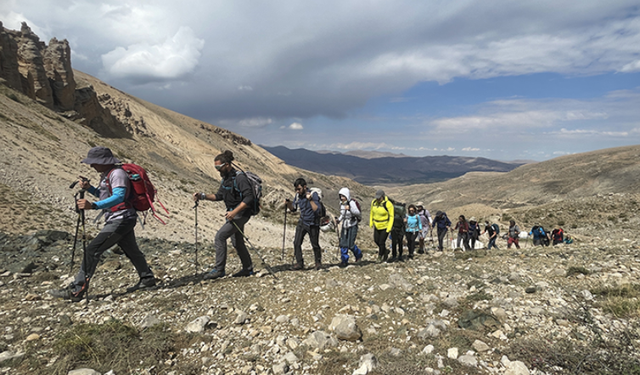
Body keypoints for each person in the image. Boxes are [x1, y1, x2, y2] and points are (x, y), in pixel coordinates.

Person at [50, 147, 155, 302]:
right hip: (122, 217)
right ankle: (147, 278)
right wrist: (89, 189)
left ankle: (77, 290)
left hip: (120, 218)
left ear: (103, 162)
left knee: (92, 250)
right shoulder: (108, 174)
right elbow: (106, 195)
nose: (91, 166)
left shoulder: (117, 174)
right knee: (131, 250)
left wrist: (93, 206)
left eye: (94, 162)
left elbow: (119, 197)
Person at [193, 150, 255, 280]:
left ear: (227, 164)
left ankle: (219, 269)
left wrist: (234, 212)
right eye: (215, 167)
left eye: (218, 167)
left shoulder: (239, 178)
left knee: (220, 237)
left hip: (240, 214)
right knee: (237, 242)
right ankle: (248, 269)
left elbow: (249, 197)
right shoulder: (226, 179)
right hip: (233, 213)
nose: (217, 170)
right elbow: (219, 196)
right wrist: (202, 196)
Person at [285, 178, 323, 270]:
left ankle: (318, 262)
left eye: (299, 189)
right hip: (302, 222)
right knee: (296, 243)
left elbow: (317, 210)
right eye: (296, 189)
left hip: (313, 223)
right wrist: (289, 204)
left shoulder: (313, 195)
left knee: (315, 244)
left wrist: (310, 200)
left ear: (305, 187)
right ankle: (299, 263)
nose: (297, 191)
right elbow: (293, 209)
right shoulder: (298, 196)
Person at [336, 187, 363, 267]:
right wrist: (339, 220)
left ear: (347, 196)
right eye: (340, 196)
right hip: (345, 225)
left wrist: (350, 209)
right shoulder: (342, 203)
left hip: (352, 225)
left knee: (350, 244)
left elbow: (357, 213)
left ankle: (358, 255)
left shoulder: (351, 203)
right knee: (343, 243)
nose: (341, 198)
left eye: (343, 196)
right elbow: (342, 214)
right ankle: (344, 260)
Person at [370, 190, 394, 262]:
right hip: (377, 225)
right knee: (376, 240)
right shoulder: (374, 202)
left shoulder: (388, 204)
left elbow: (391, 216)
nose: (377, 199)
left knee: (381, 242)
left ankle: (380, 256)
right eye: (376, 197)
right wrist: (371, 222)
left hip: (385, 226)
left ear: (382, 197)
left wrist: (389, 227)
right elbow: (371, 212)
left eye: (379, 198)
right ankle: (385, 251)